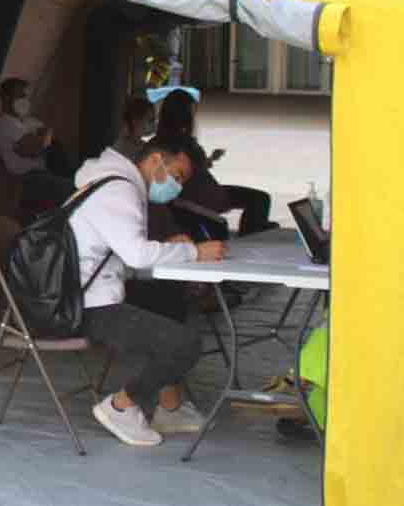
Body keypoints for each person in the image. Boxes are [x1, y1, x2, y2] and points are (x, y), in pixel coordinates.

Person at [71, 134, 226, 446]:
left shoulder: (112, 182)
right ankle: (121, 406)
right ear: (156, 160)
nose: (177, 187)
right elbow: (137, 256)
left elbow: (122, 257)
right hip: (83, 306)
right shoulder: (119, 190)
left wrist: (167, 248)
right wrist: (195, 252)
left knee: (167, 298)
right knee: (185, 344)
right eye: (177, 175)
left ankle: (170, 406)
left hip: (89, 292)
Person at [154, 89, 276, 237]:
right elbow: (192, 168)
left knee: (257, 199)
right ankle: (250, 233)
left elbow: (194, 167)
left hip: (201, 193)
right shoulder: (183, 142)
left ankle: (251, 230)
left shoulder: (161, 140)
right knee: (260, 199)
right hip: (205, 196)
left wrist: (210, 159)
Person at [0, 77, 74, 206]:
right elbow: (33, 150)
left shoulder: (25, 121)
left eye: (26, 96)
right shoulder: (4, 123)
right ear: (6, 98)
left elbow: (50, 140)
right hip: (26, 180)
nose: (25, 100)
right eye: (20, 96)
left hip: (41, 174)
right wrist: (46, 132)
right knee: (73, 192)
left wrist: (43, 134)